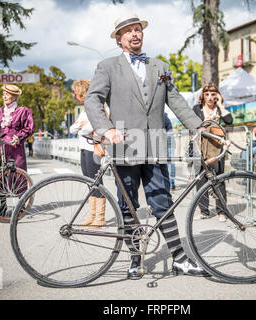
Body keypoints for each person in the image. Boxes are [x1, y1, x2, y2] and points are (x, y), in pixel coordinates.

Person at [85, 13, 208, 279]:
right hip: (124, 147)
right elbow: (92, 99)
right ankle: (134, 259)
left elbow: (175, 100)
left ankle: (180, 259)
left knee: (163, 202)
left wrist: (197, 126)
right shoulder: (107, 66)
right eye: (128, 31)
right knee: (128, 205)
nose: (134, 34)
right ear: (119, 39)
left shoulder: (160, 66)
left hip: (154, 146)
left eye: (137, 29)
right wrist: (106, 128)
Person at [0, 84, 34, 216]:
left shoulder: (23, 111)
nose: (4, 96)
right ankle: (2, 205)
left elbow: (29, 128)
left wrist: (18, 137)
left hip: (16, 147)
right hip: (2, 146)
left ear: (14, 97)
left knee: (18, 173)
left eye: (7, 94)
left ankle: (21, 203)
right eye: (4, 94)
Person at [192, 83, 233, 222]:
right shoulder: (197, 108)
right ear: (203, 95)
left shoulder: (219, 109)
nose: (210, 97)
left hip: (216, 148)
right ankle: (204, 211)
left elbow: (229, 121)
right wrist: (205, 123)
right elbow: (193, 125)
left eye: (213, 94)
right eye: (207, 94)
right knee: (201, 179)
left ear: (218, 95)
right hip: (200, 147)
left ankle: (222, 212)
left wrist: (221, 105)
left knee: (219, 179)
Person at [69, 79, 107, 228]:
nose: (75, 95)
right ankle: (92, 215)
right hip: (85, 149)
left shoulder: (98, 107)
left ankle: (100, 217)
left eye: (76, 92)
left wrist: (83, 127)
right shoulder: (84, 110)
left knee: (97, 183)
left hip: (95, 149)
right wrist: (82, 126)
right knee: (89, 183)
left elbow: (87, 128)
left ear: (81, 93)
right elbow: (72, 129)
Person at [164, 112, 176, 190]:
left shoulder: (164, 118)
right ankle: (171, 182)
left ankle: (170, 182)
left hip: (168, 144)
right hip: (170, 143)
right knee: (171, 163)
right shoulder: (166, 118)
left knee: (169, 163)